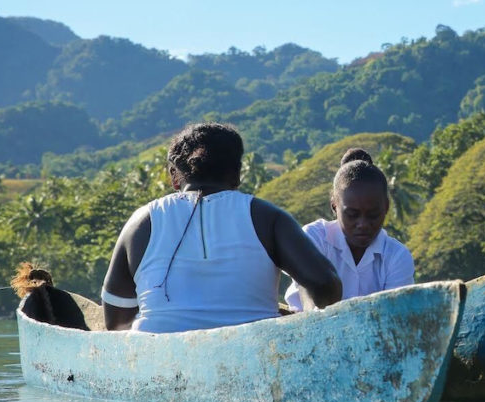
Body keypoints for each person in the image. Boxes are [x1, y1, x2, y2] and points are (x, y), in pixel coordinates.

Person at [101, 122, 342, 332]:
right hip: (252, 365)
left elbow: (116, 320)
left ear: (175, 177)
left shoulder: (142, 222)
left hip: (160, 366)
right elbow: (324, 284)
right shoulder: (266, 217)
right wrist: (306, 321)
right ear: (237, 174)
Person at [284, 148, 414, 311]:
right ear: (334, 206)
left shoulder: (396, 256)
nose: (363, 224)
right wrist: (313, 315)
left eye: (373, 215)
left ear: (386, 207)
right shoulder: (313, 238)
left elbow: (395, 314)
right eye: (352, 215)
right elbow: (308, 293)